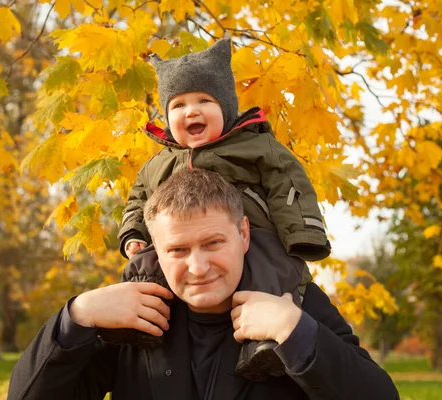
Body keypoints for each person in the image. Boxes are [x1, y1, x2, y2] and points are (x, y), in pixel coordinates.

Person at [8, 169, 399, 400]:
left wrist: (295, 332)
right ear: (156, 251)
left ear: (243, 234)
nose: (198, 267)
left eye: (213, 243)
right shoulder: (127, 315)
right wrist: (77, 317)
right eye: (177, 249)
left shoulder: (294, 301)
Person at [116, 38, 331, 378]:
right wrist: (133, 233)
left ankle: (264, 345)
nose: (191, 111)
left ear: (227, 108)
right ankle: (141, 322)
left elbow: (287, 184)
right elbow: (139, 198)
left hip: (253, 233)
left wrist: (301, 232)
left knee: (272, 272)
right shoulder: (158, 163)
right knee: (145, 265)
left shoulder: (253, 144)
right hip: (178, 237)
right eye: (178, 105)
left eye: (204, 100)